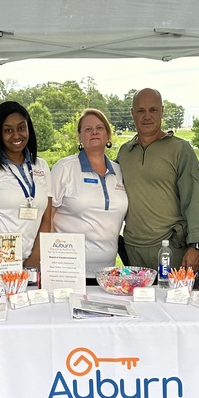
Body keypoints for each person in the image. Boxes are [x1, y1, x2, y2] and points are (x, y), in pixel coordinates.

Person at [116, 87, 199, 272]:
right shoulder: (125, 152)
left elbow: (194, 200)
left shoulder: (180, 149)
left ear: (162, 111)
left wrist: (196, 245)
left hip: (170, 250)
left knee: (172, 299)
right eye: (141, 110)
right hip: (133, 250)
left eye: (153, 110)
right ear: (132, 113)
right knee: (136, 300)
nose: (147, 116)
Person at [0, 101, 52, 270]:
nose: (16, 135)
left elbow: (47, 218)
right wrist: (3, 263)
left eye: (21, 128)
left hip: (29, 260)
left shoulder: (41, 166)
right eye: (8, 130)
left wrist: (35, 258)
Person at [51, 109, 128, 278]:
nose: (94, 132)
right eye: (87, 129)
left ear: (108, 135)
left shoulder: (119, 170)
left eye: (100, 128)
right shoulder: (65, 168)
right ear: (79, 136)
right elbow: (47, 216)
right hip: (67, 270)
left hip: (107, 273)